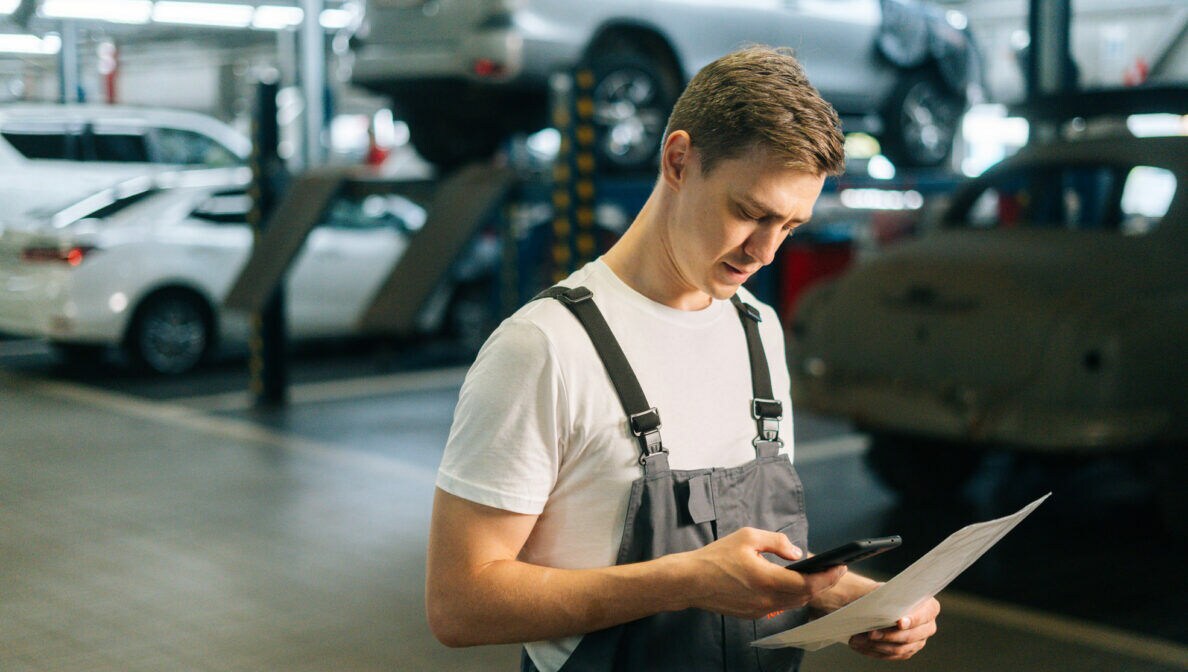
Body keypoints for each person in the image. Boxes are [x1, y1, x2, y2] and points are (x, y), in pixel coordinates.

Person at [426, 45, 940, 671]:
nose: (765, 252)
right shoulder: (544, 350)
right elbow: (460, 604)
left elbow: (744, 565)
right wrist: (681, 581)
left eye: (790, 226)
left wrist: (845, 596)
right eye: (751, 213)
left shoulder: (758, 330)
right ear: (677, 160)